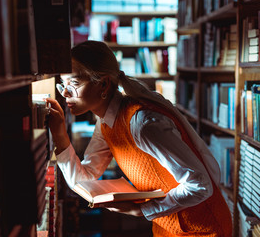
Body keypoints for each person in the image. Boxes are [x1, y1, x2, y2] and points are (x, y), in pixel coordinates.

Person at [45, 40, 232, 236]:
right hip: (168, 228)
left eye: (73, 83)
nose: (65, 93)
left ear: (104, 84)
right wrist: (60, 135)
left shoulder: (142, 124)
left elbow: (200, 185)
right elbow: (83, 180)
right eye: (63, 84)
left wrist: (142, 210)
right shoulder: (106, 123)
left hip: (203, 230)